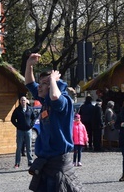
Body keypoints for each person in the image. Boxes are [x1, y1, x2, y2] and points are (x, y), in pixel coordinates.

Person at [24, 52, 82, 191]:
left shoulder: (63, 100)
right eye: (41, 82)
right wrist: (29, 65)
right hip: (46, 161)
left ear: (52, 85)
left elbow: (55, 96)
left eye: (44, 83)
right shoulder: (45, 100)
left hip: (59, 162)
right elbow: (29, 83)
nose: (39, 86)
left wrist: (53, 80)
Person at [11, 95, 36, 169]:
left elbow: (34, 118)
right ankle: (17, 163)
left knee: (29, 147)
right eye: (22, 100)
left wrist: (31, 125)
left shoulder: (30, 109)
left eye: (24, 100)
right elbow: (12, 119)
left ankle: (30, 162)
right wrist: (17, 125)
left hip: (28, 130)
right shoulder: (17, 110)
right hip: (20, 131)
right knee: (19, 147)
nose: (23, 101)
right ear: (20, 102)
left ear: (26, 101)